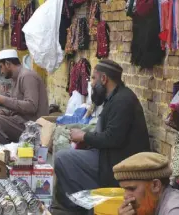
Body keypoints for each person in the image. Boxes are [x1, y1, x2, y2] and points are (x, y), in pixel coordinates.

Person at [53, 59, 151, 213]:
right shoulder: (114, 98)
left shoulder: (123, 101)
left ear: (104, 79)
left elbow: (113, 138)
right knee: (68, 154)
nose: (91, 84)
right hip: (108, 154)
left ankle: (86, 206)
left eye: (93, 78)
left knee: (62, 158)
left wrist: (84, 137)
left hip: (119, 160)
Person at [0, 49, 49, 144]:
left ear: (7, 64)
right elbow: (16, 106)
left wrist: (3, 100)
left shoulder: (27, 76)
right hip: (19, 120)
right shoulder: (15, 79)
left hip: (31, 126)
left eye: (1, 67)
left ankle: (5, 150)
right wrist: (1, 111)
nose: (1, 71)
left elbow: (31, 106)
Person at [114, 152, 179, 215]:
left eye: (131, 189)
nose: (125, 196)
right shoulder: (153, 203)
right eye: (125, 189)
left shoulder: (175, 211)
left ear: (155, 185)